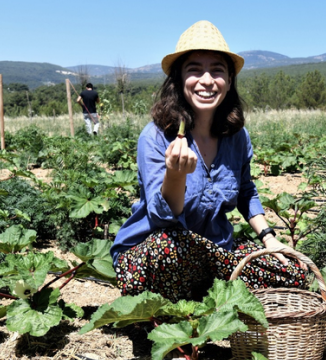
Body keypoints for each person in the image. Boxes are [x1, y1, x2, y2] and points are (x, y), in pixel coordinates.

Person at [110, 20, 307, 303]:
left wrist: (268, 238)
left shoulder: (237, 136)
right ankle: (191, 305)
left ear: (228, 81)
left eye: (217, 70)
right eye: (194, 69)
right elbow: (162, 219)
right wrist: (175, 175)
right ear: (178, 80)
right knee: (171, 247)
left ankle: (207, 297)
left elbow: (245, 190)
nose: (206, 80)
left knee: (292, 271)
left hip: (213, 254)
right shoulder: (155, 136)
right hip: (152, 255)